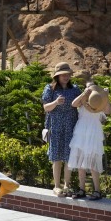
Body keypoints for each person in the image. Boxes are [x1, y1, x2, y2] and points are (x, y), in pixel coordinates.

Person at [41, 61, 81, 196]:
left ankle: (67, 185)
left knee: (69, 157)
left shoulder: (75, 89)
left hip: (71, 126)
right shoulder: (50, 89)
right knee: (56, 157)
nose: (66, 77)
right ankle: (57, 186)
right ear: (57, 76)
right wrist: (56, 102)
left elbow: (82, 104)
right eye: (63, 75)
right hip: (56, 126)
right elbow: (46, 108)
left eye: (68, 74)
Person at [68, 82, 111, 200]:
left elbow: (108, 111)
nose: (89, 89)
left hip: (93, 133)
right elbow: (73, 104)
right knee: (80, 162)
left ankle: (97, 190)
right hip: (81, 131)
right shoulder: (83, 100)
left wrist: (105, 96)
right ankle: (82, 189)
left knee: (93, 162)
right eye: (87, 87)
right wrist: (84, 93)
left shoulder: (99, 101)